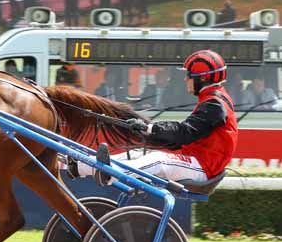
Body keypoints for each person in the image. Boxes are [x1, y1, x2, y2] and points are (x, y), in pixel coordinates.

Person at [66, 49, 237, 184]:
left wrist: (150, 128)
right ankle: (79, 165)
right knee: (135, 154)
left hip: (203, 167)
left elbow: (185, 132)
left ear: (203, 78)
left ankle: (110, 174)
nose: (186, 80)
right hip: (198, 162)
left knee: (157, 160)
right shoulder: (212, 99)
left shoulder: (215, 104)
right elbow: (185, 136)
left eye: (189, 76)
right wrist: (150, 133)